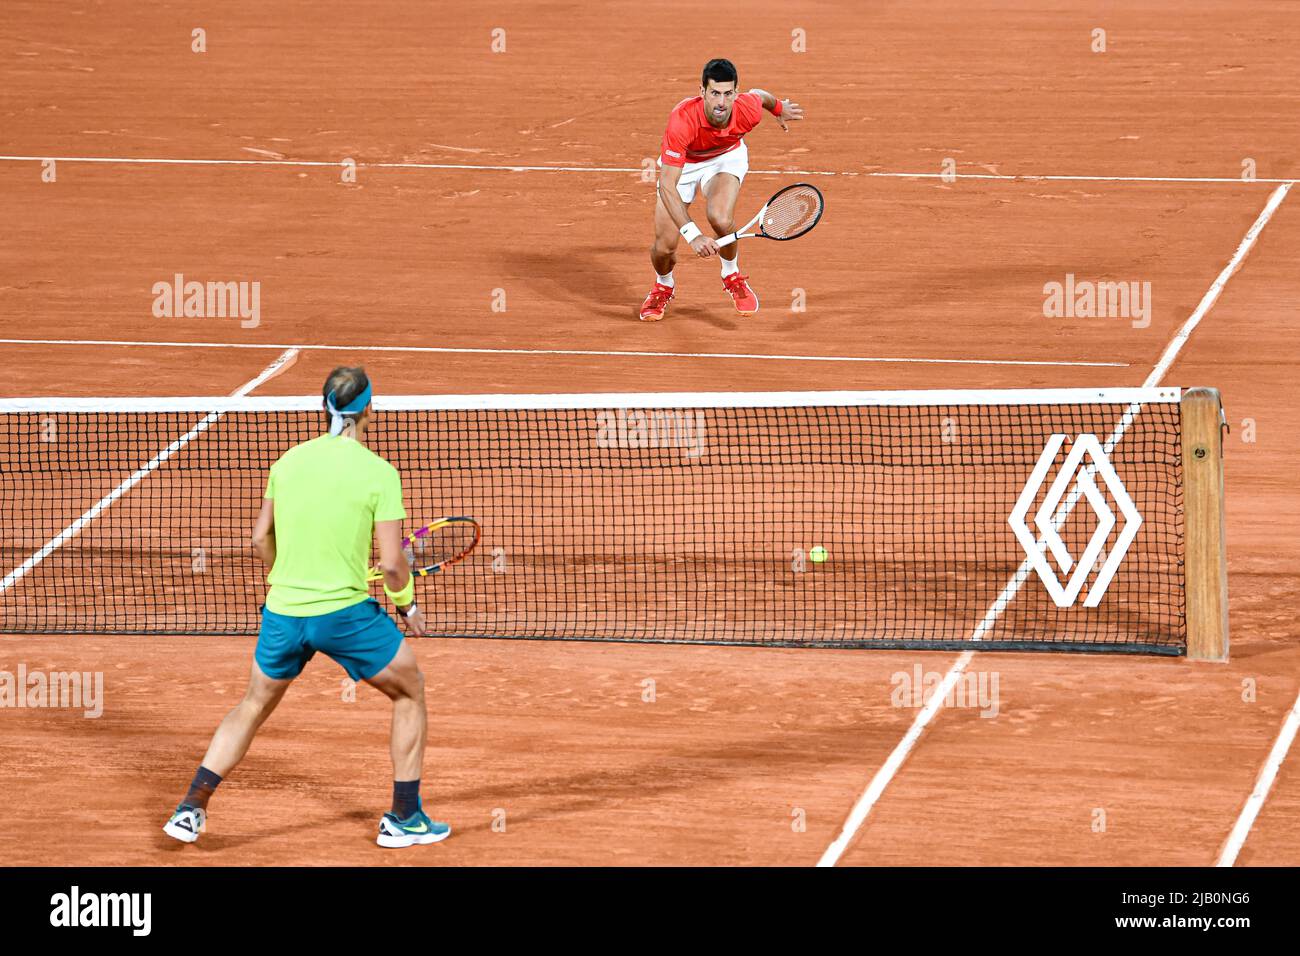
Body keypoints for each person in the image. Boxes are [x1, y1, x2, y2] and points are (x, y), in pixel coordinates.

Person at [163, 366, 450, 849]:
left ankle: (190, 808)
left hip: (283, 612)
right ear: (370, 412)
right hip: (344, 616)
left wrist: (285, 580)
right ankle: (405, 818)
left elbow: (260, 539)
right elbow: (394, 565)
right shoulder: (379, 474)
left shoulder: (288, 462)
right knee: (410, 690)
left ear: (324, 409)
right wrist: (407, 606)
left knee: (252, 704)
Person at [639, 58, 804, 322]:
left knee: (721, 218)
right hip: (685, 165)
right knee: (664, 247)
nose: (721, 103)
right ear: (702, 92)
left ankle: (731, 274)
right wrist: (692, 235)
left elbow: (760, 96)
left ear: (736, 93)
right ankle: (663, 285)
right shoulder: (682, 120)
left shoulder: (746, 110)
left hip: (724, 159)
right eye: (715, 93)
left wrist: (780, 108)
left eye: (728, 94)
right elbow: (668, 185)